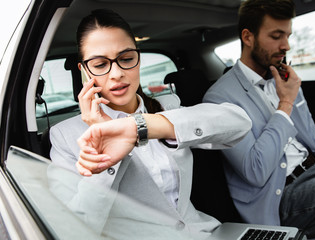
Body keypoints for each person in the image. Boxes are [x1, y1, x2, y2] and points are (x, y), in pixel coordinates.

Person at [48, 9, 251, 239]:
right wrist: (105, 162)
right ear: (84, 71)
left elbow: (239, 123)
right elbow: (72, 230)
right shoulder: (65, 135)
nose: (116, 74)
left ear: (138, 58)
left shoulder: (166, 108)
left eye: (126, 59)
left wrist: (141, 126)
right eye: (100, 64)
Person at [203, 0, 315, 238]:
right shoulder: (219, 99)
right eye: (276, 36)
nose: (286, 45)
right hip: (282, 196)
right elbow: (255, 171)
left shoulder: (284, 79)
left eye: (287, 35)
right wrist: (285, 104)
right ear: (248, 37)